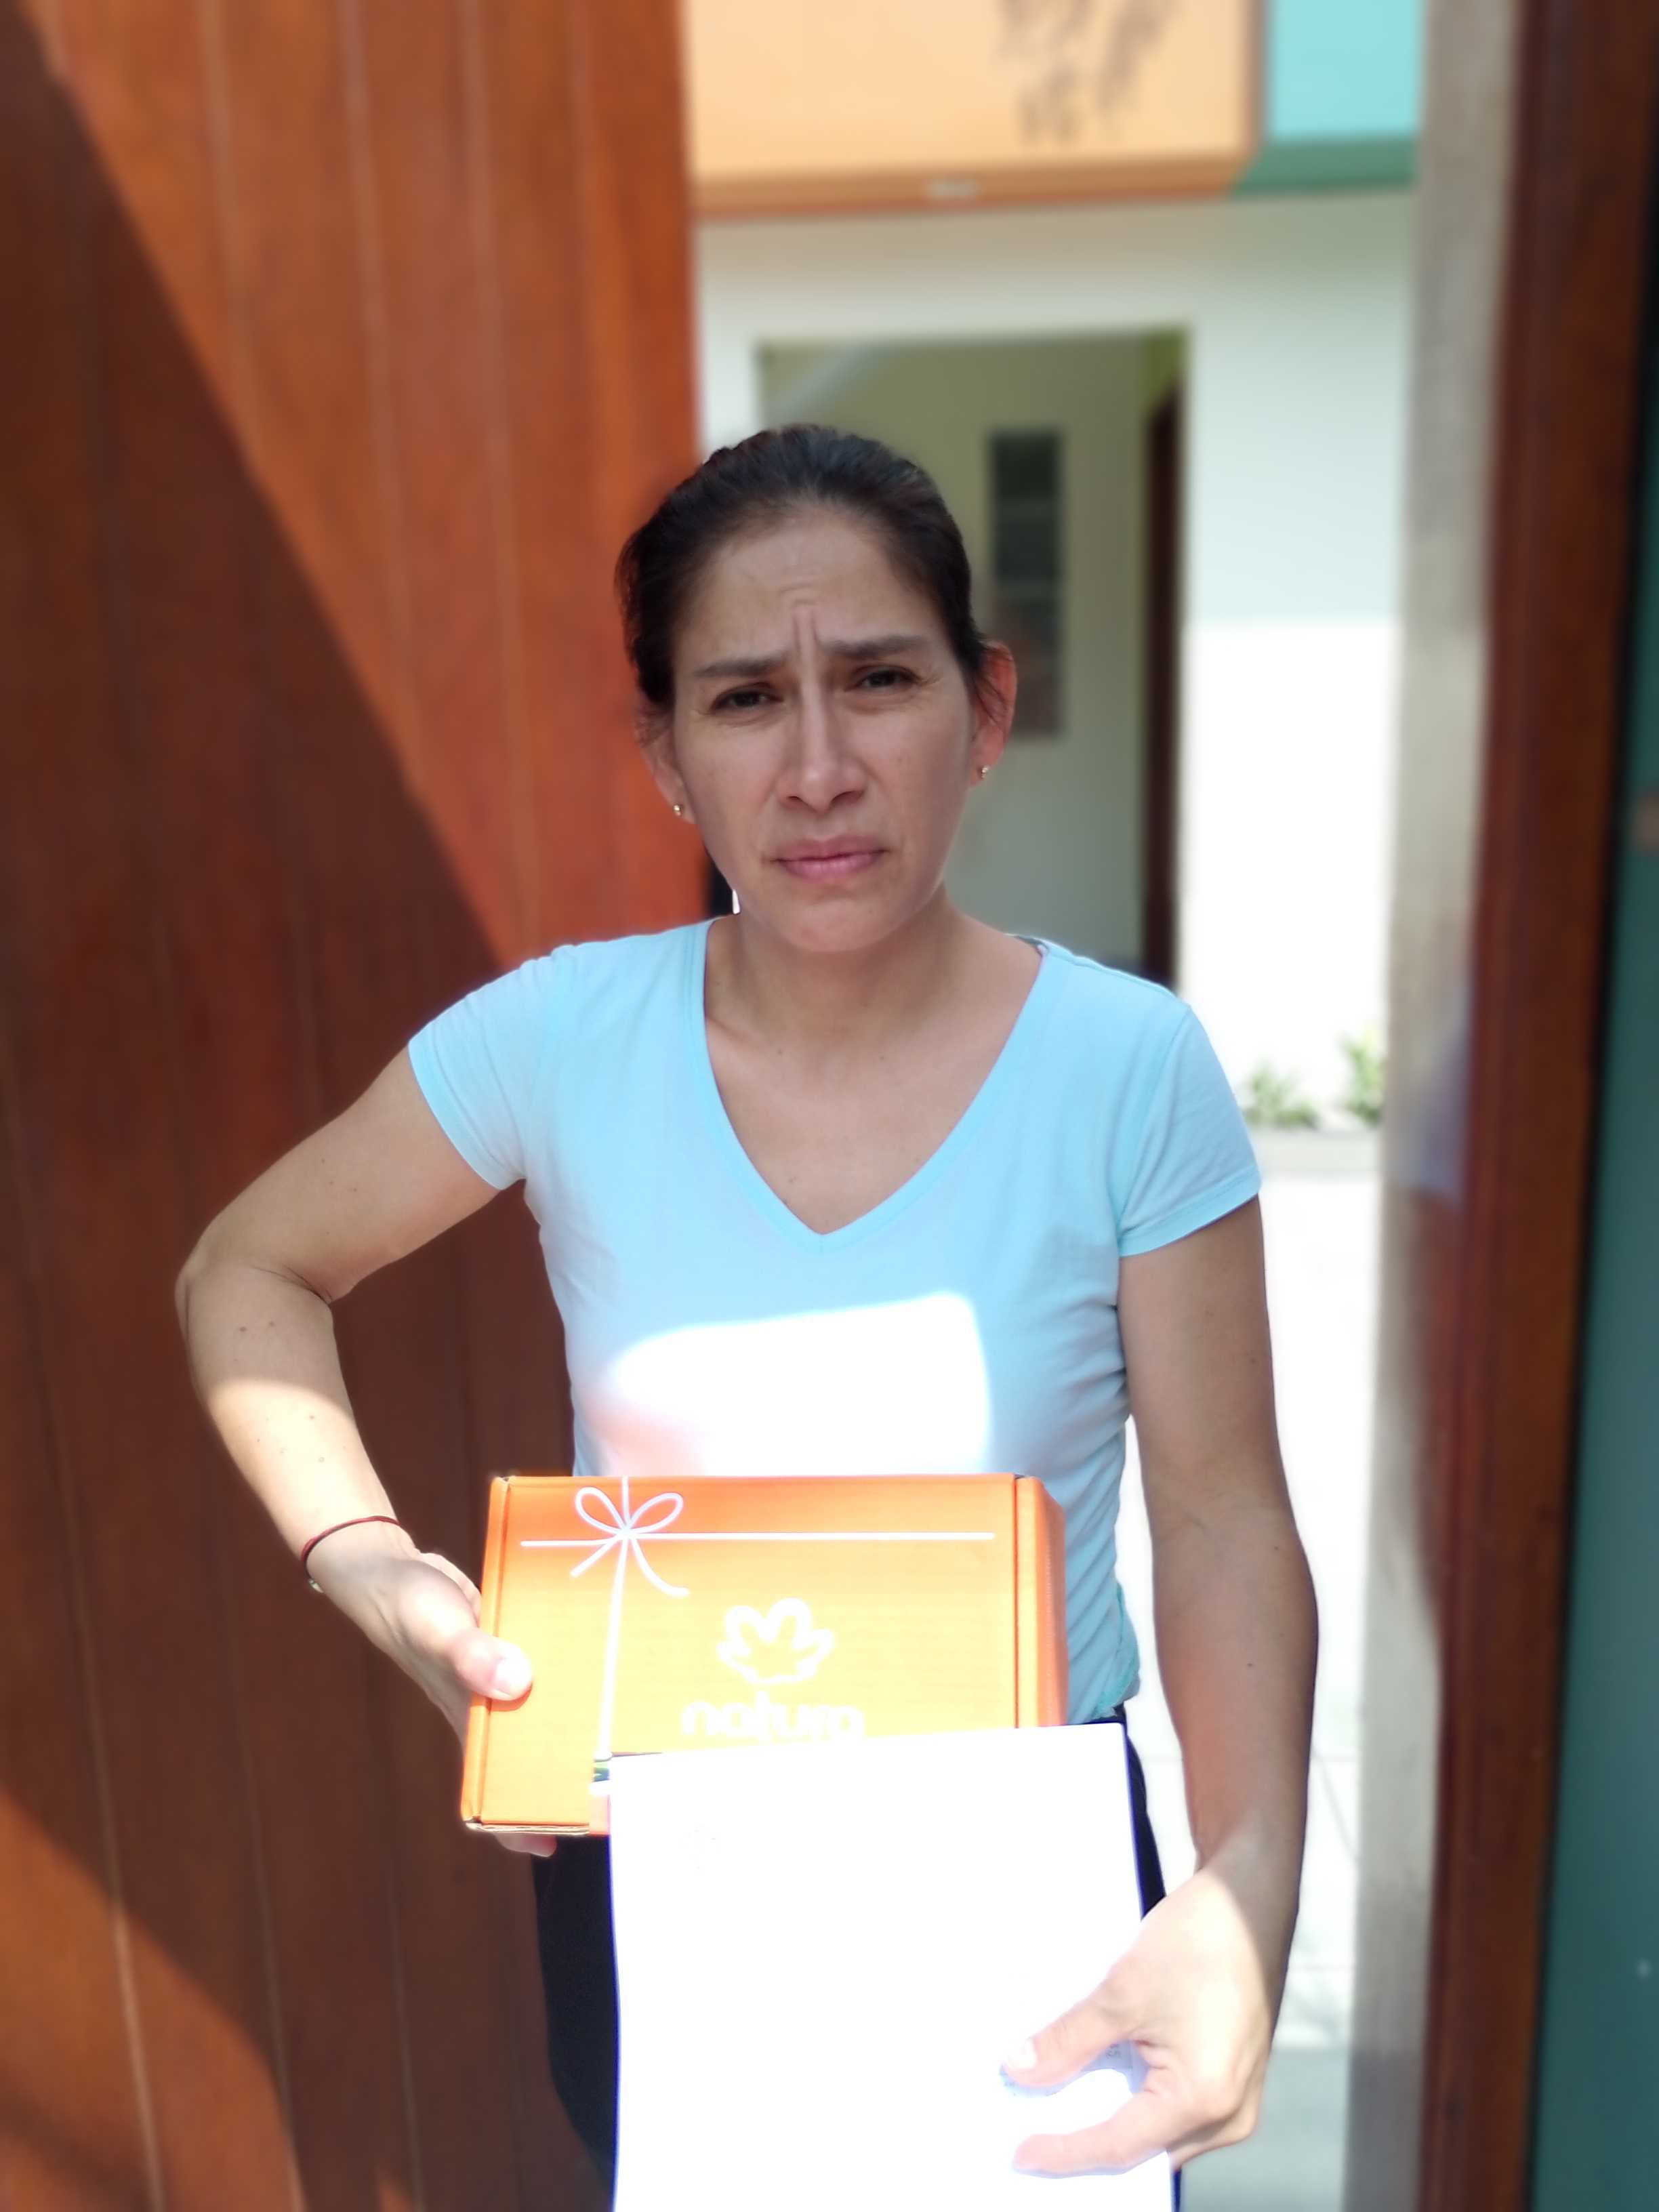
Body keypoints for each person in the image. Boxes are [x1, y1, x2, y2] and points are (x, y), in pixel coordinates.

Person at [176, 425, 1316, 2196]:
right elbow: (247, 1268)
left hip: (1022, 1864)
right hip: (663, 1845)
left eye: (879, 679)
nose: (820, 768)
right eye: (744, 700)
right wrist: (369, 1564)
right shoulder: (560, 1041)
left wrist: (1247, 1898)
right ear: (668, 757)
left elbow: (1226, 1516)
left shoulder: (1126, 1068)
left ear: (985, 708)